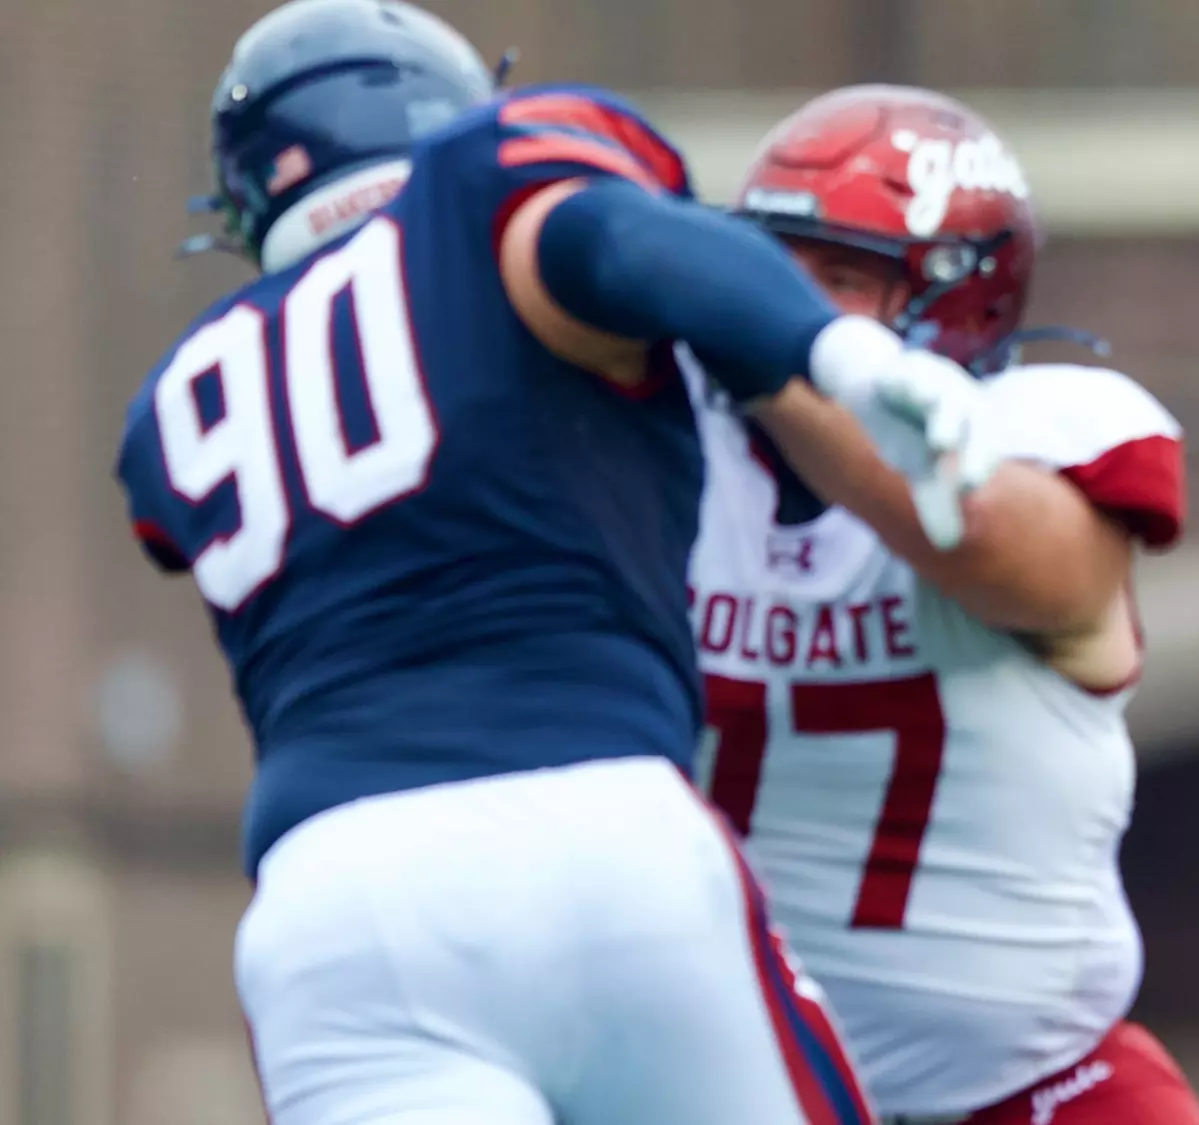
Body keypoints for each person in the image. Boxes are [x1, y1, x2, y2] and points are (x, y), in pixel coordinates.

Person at [114, 3, 987, 1121]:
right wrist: (839, 353)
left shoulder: (176, 398)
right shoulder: (482, 191)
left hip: (331, 910)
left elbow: (176, 522)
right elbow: (614, 243)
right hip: (592, 830)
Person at [693, 84, 1199, 1124]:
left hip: (1032, 1089)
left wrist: (775, 369)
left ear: (958, 295)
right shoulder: (676, 455)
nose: (786, 311)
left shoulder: (1039, 433)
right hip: (722, 1085)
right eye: (767, 273)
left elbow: (983, 539)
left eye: (834, 279)